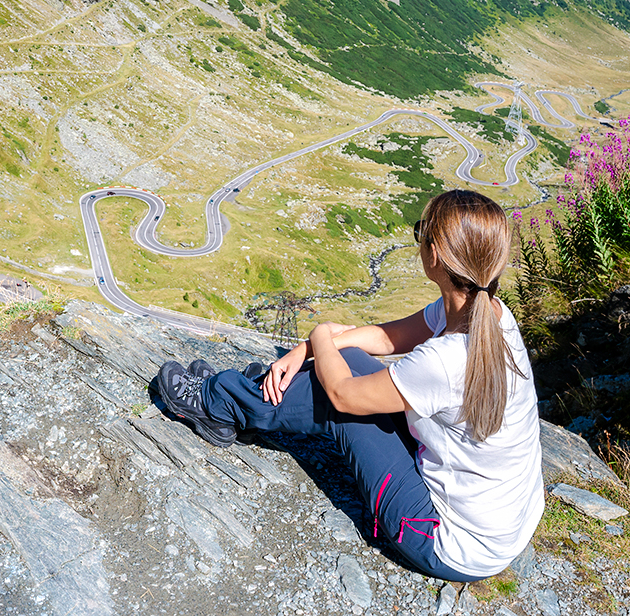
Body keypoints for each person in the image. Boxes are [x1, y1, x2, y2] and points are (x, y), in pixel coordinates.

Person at [157, 190, 543, 582]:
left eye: (420, 233)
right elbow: (384, 339)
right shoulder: (489, 313)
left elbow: (343, 395)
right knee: (353, 362)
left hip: (447, 539)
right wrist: (306, 351)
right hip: (500, 525)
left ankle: (215, 403)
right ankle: (267, 389)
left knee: (340, 402)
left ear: (435, 256)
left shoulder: (445, 360)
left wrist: (319, 332)